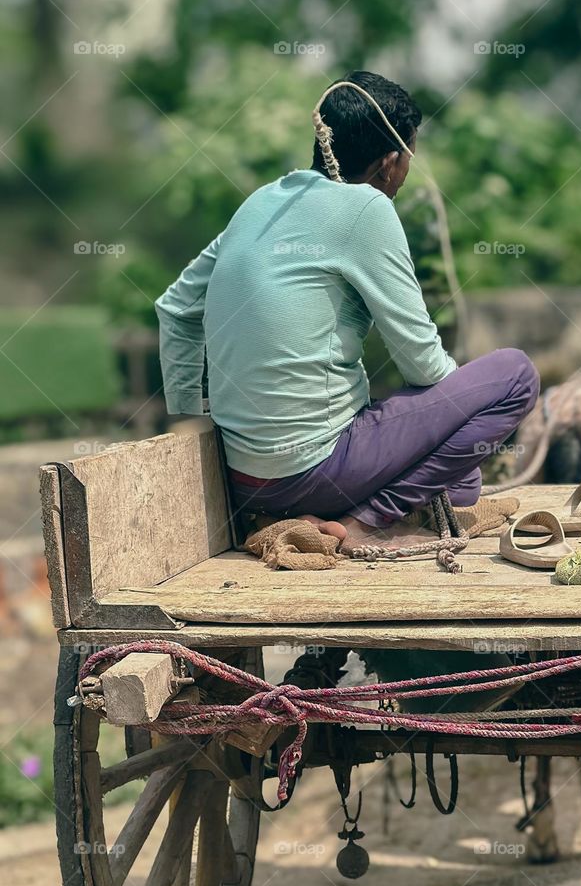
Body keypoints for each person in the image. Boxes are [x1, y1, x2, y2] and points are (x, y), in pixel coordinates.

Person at [156, 70, 539, 552]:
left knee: (463, 483)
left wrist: (194, 421)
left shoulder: (258, 202)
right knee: (516, 374)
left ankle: (358, 503)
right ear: (389, 163)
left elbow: (175, 307)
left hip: (243, 476)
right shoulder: (366, 208)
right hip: (313, 472)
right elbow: (422, 364)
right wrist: (460, 409)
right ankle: (369, 520)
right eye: (408, 163)